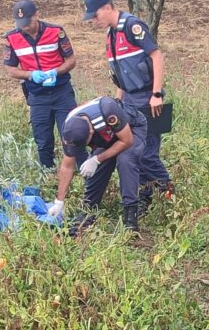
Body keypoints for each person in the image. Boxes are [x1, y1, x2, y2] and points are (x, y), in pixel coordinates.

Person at [82, 0, 170, 212]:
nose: (94, 20)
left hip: (148, 97)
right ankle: (145, 197)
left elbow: (157, 56)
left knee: (148, 154)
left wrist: (156, 94)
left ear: (109, 7)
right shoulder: (111, 35)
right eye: (91, 17)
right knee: (134, 152)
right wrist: (117, 103)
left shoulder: (132, 26)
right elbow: (121, 75)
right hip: (129, 100)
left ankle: (169, 193)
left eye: (96, 15)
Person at [3, 0, 85, 169]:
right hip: (37, 96)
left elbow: (71, 60)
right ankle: (47, 176)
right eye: (20, 22)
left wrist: (56, 72)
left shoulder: (55, 32)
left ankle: (85, 174)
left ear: (37, 15)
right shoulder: (12, 38)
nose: (24, 26)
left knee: (71, 136)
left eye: (27, 21)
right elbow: (10, 69)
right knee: (43, 140)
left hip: (61, 92)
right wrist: (30, 75)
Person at [48, 97, 147, 232]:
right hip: (106, 137)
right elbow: (67, 165)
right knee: (98, 167)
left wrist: (97, 159)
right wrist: (59, 202)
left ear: (91, 132)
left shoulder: (108, 110)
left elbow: (126, 141)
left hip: (131, 129)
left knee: (125, 160)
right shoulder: (70, 129)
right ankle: (89, 211)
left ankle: (130, 215)